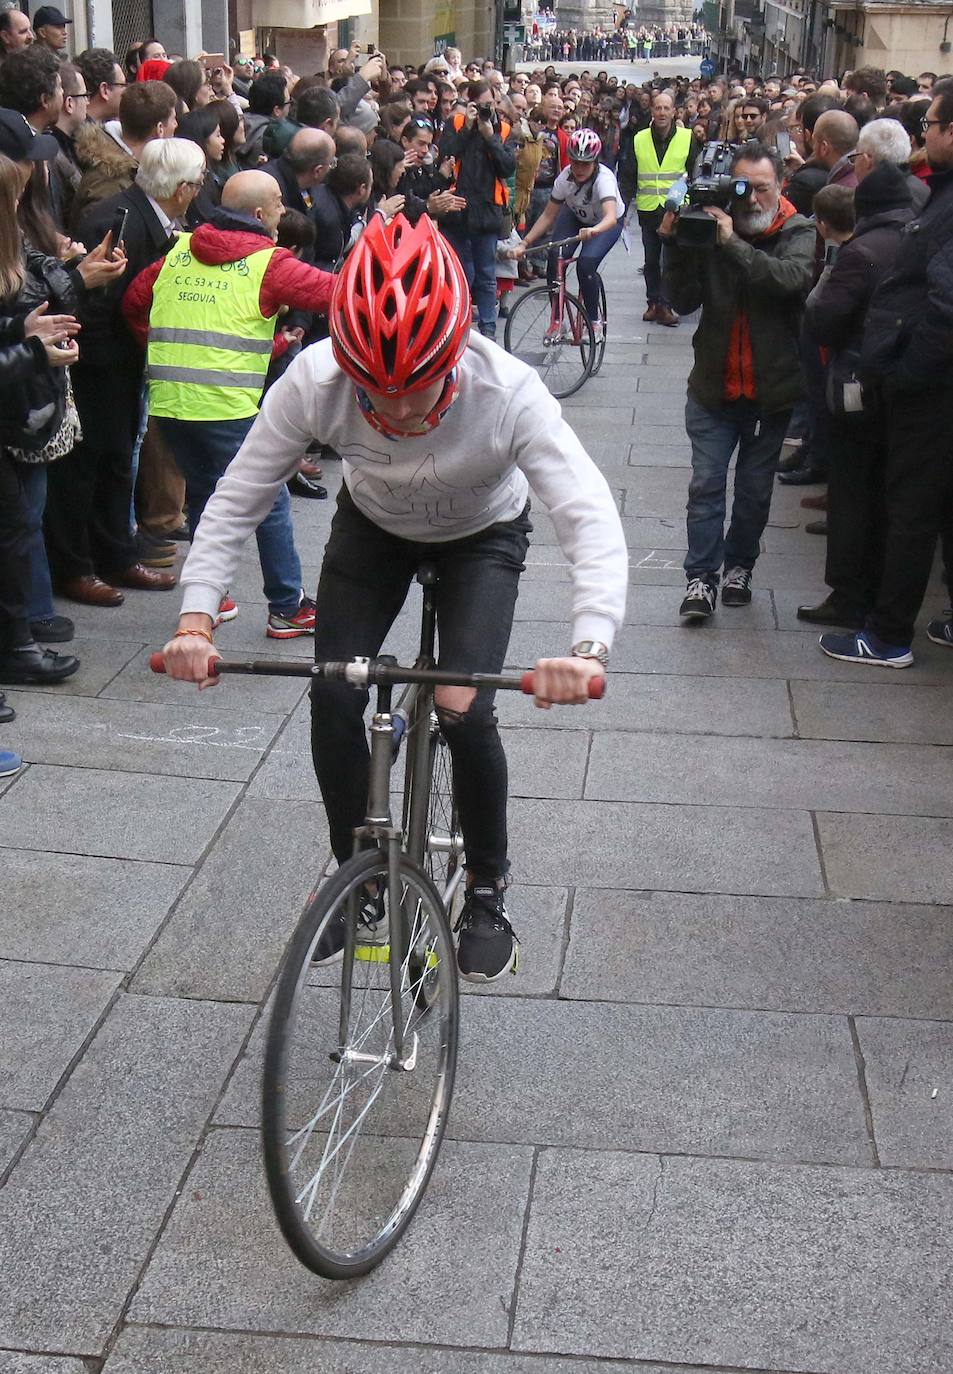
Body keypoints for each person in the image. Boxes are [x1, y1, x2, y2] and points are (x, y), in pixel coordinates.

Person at [157, 212, 628, 982]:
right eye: (377, 392)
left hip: (482, 535)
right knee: (334, 695)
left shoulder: (509, 390)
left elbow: (586, 514)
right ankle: (359, 873)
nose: (400, 412)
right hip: (372, 530)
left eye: (420, 389)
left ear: (456, 356)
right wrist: (196, 618)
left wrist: (587, 646)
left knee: (461, 705)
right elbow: (238, 494)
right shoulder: (314, 378)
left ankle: (486, 885)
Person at [122, 169, 339, 637]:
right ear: (260, 214)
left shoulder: (178, 251)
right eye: (280, 202)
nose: (285, 210)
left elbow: (134, 304)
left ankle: (213, 596)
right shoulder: (270, 263)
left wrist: (161, 353)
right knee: (270, 498)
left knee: (205, 493)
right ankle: (288, 605)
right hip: (226, 406)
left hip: (170, 403)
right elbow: (334, 294)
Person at [821, 86, 953, 666]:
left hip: (931, 388)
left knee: (912, 507)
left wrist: (905, 372)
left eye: (930, 122)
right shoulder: (940, 193)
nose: (923, 133)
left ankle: (888, 635)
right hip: (928, 381)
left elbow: (945, 305)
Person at [663, 141, 815, 620]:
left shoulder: (798, 230)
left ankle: (739, 567)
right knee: (706, 486)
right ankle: (700, 579)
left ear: (780, 186)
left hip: (770, 393)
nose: (751, 199)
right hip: (714, 387)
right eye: (742, 188)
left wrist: (732, 243)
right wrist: (677, 244)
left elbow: (790, 280)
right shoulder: (713, 227)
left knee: (753, 492)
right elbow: (682, 301)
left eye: (762, 188)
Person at [797, 166, 913, 629]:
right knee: (888, 495)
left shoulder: (860, 252)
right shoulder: (915, 239)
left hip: (858, 384)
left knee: (851, 493)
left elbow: (823, 318)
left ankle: (848, 596)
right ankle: (877, 590)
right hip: (901, 388)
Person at [511, 127, 623, 336]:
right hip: (575, 215)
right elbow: (548, 215)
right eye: (575, 162)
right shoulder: (564, 179)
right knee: (555, 255)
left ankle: (593, 320)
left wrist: (593, 230)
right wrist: (524, 243)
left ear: (595, 161)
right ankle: (556, 319)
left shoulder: (604, 180)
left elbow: (611, 217)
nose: (579, 168)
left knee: (586, 263)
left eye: (585, 163)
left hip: (605, 223)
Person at [438, 80, 517, 339]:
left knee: (486, 272)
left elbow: (507, 167)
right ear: (470, 104)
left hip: (487, 210)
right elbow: (447, 154)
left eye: (491, 104)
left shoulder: (504, 130)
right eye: (481, 105)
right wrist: (469, 127)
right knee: (459, 270)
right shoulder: (458, 123)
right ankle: (457, 322)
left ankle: (488, 327)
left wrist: (489, 136)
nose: (488, 109)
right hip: (457, 208)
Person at [633, 91, 698, 326]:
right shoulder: (639, 138)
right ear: (652, 111)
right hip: (649, 208)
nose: (661, 113)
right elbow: (630, 173)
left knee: (670, 260)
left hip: (676, 209)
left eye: (665, 108)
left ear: (673, 112)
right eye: (657, 108)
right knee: (651, 260)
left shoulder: (687, 137)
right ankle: (653, 302)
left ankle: (667, 304)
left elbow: (695, 172)